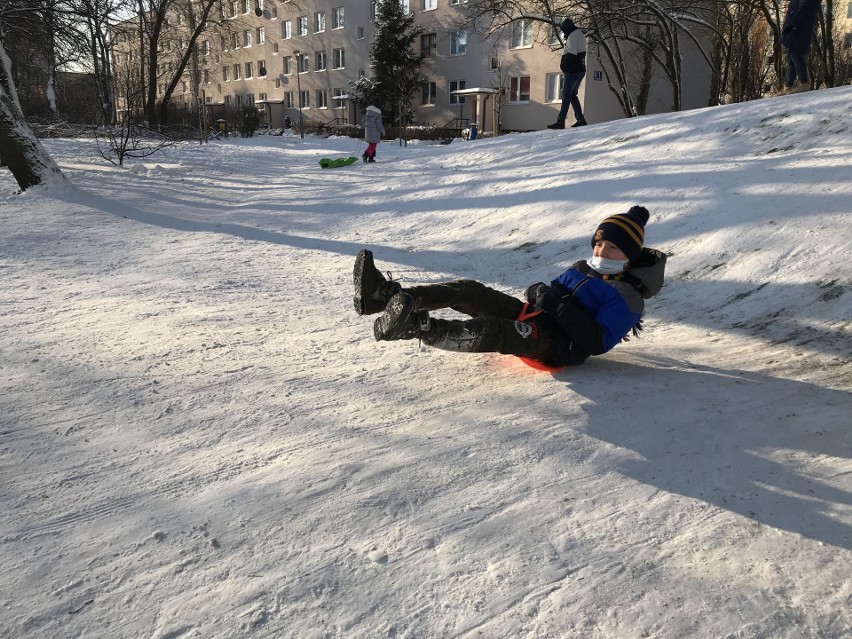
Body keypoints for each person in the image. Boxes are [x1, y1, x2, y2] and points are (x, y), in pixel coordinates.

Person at [353, 206, 666, 368]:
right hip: (535, 317)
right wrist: (538, 293)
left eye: (612, 248)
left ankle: (416, 328)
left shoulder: (629, 298)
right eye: (598, 245)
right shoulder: (582, 267)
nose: (601, 253)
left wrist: (554, 304)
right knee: (470, 290)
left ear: (628, 255)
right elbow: (552, 290)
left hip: (556, 346)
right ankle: (385, 297)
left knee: (492, 328)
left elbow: (596, 341)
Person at [547, 16, 587, 130]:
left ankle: (560, 122)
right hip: (580, 69)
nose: (564, 32)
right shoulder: (579, 34)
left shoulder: (573, 36)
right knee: (572, 95)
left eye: (564, 30)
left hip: (573, 70)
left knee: (565, 95)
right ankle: (580, 119)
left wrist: (564, 65)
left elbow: (571, 54)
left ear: (567, 28)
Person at [778, 0, 822, 95]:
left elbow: (803, 9)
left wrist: (792, 24)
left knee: (795, 54)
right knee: (791, 56)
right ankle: (788, 86)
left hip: (799, 29)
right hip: (796, 28)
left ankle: (804, 83)